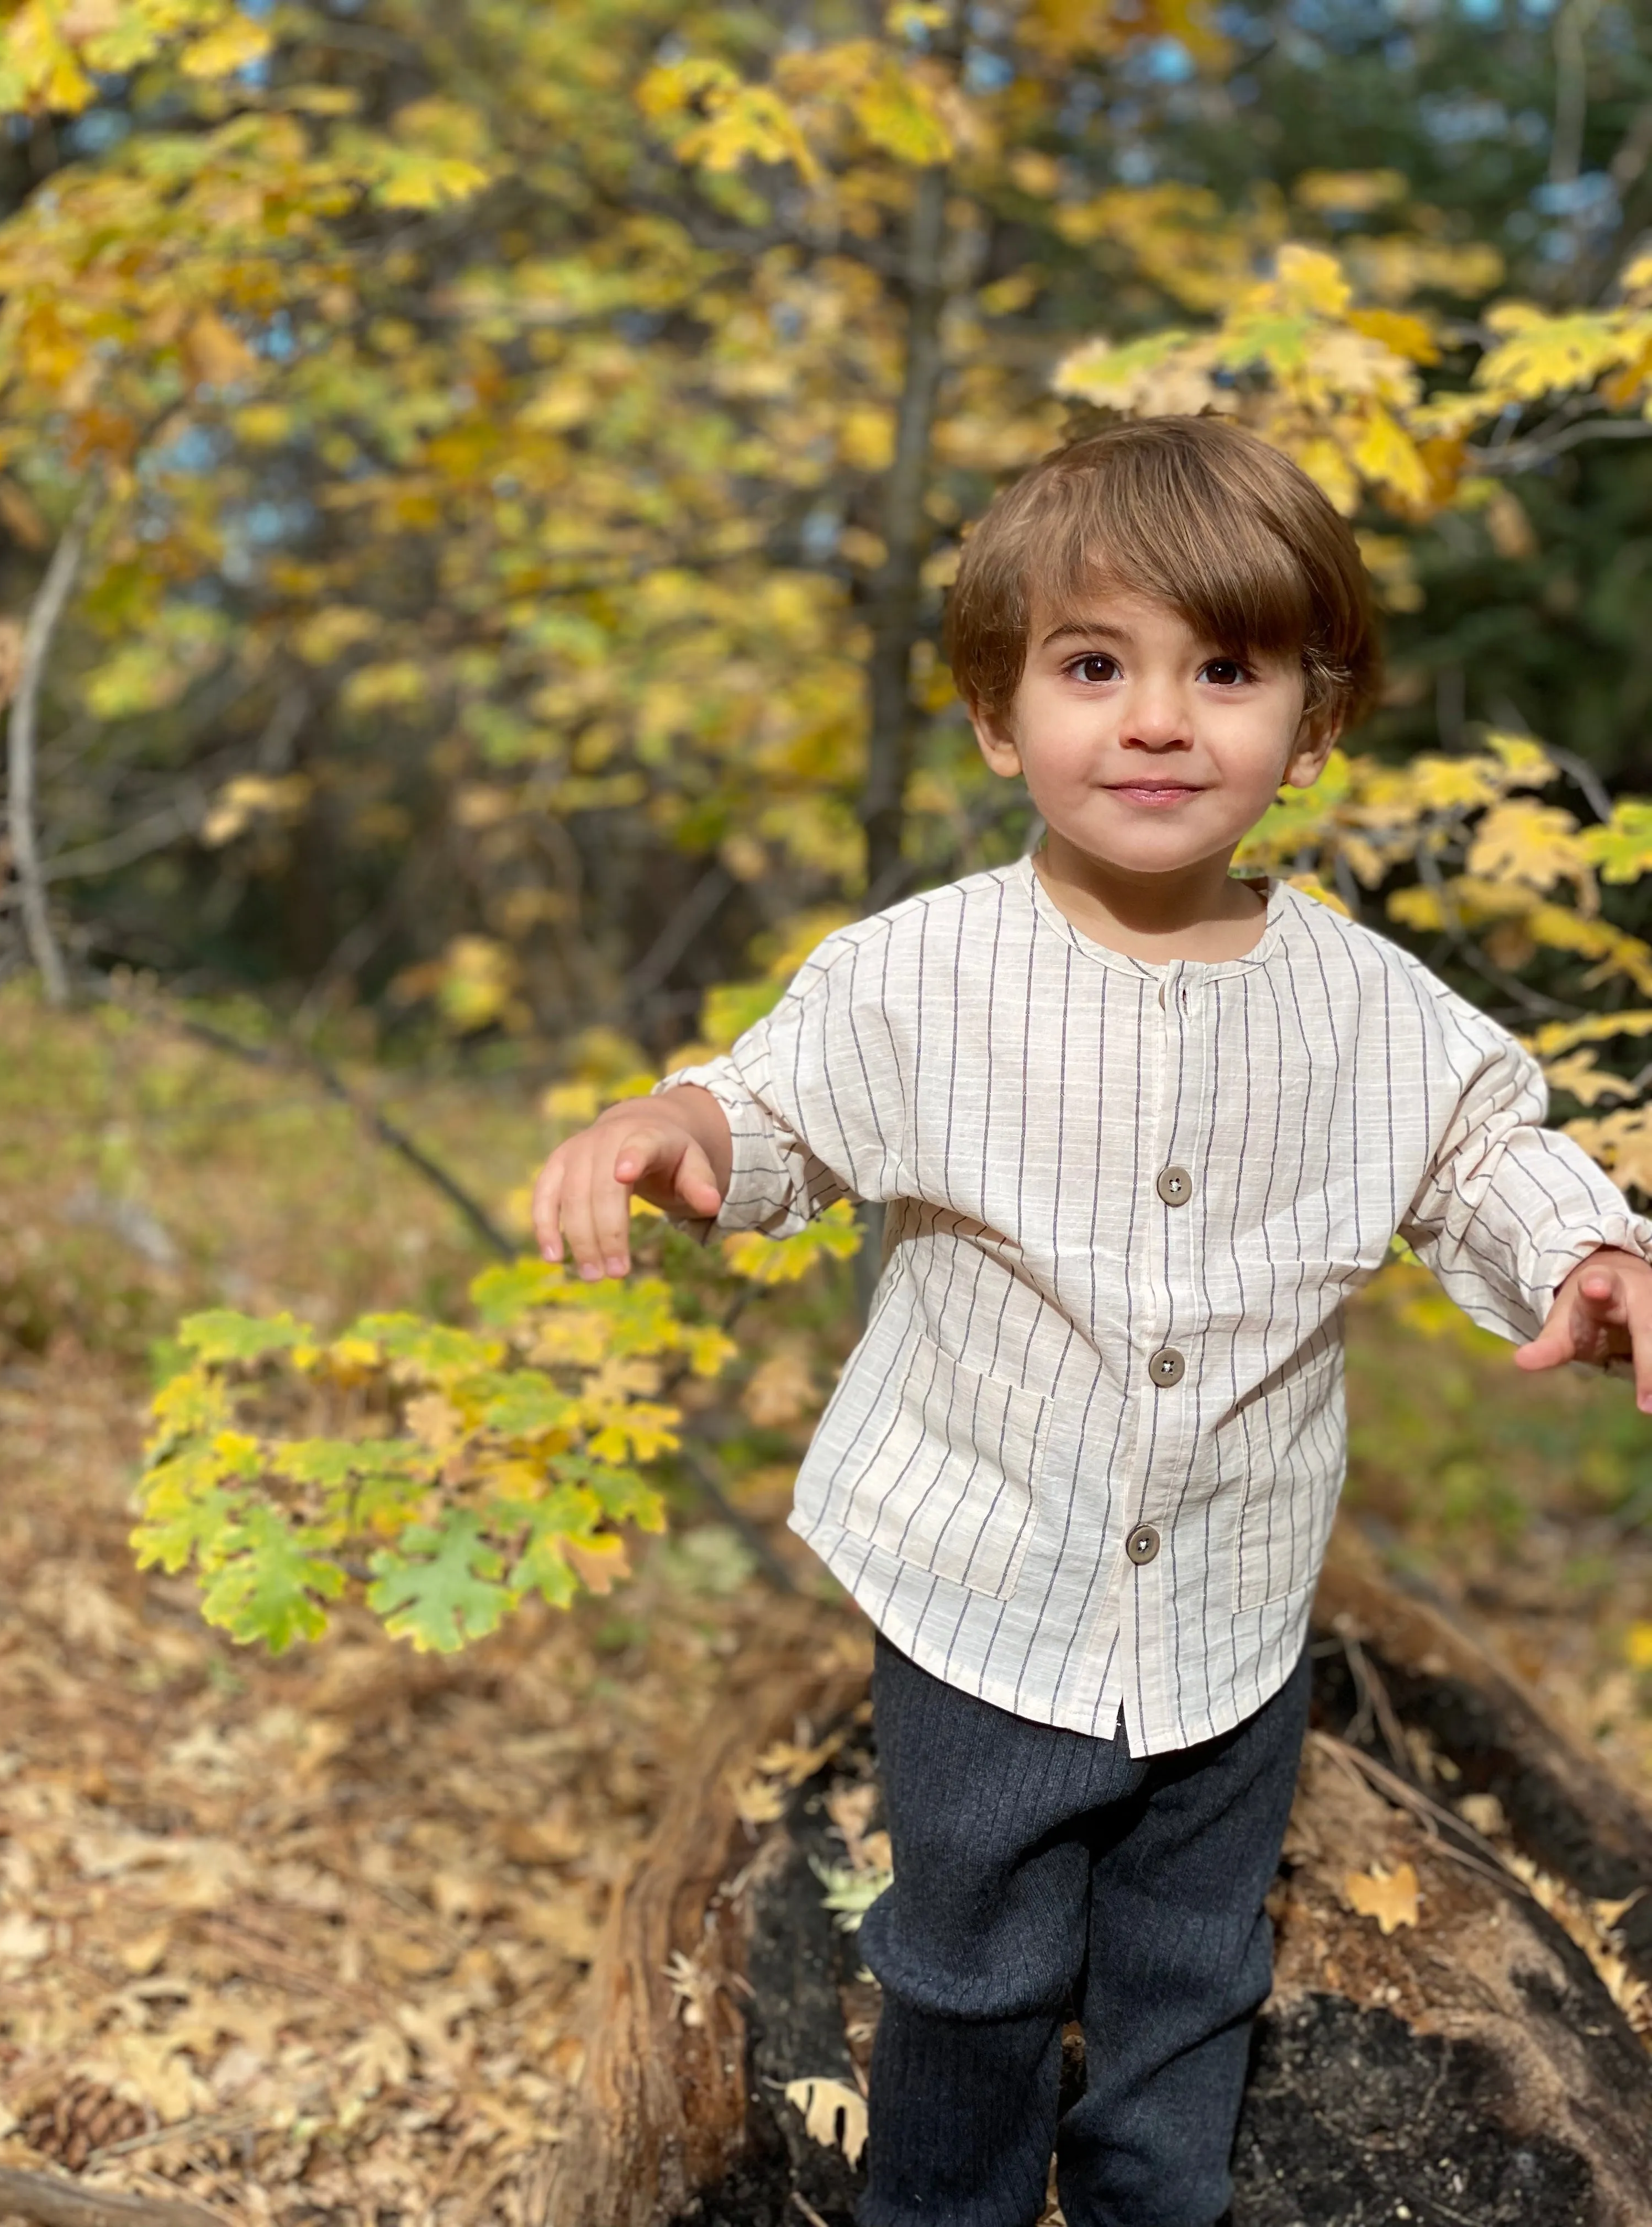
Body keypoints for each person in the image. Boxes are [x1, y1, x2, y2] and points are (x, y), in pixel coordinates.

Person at [531, 416, 1652, 2227]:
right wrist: (679, 1132)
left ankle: (1157, 2201)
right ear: (998, 716)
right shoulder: (920, 970)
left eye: (1226, 669)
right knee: (976, 1957)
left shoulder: (1366, 1003)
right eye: (1091, 667)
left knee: (1192, 1961)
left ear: (1315, 718)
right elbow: (784, 1110)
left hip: (1232, 1595)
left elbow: (1482, 1155)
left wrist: (1587, 1256)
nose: (1158, 719)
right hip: (988, 1583)